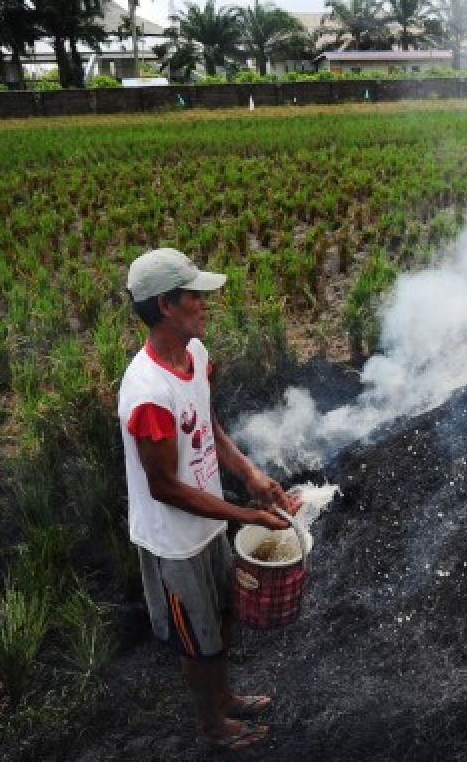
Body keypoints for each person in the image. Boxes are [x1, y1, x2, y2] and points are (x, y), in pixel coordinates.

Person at [118, 247, 301, 751]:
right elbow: (165, 488)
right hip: (174, 542)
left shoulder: (194, 355)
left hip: (209, 524)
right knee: (196, 639)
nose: (206, 303)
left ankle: (225, 699)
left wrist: (249, 474)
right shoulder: (149, 394)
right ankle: (209, 724)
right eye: (195, 296)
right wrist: (245, 515)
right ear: (165, 307)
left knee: (220, 617)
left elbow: (207, 423)